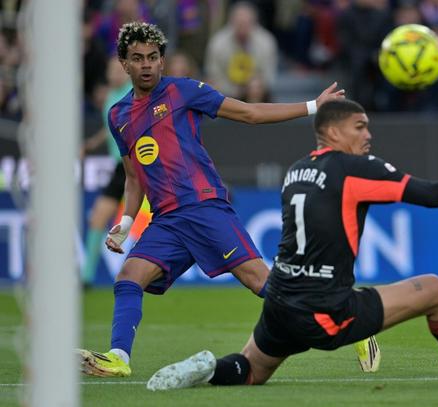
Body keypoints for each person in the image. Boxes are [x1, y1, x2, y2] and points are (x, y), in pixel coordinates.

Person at [146, 99, 438, 390]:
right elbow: (428, 194)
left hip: (281, 302)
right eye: (360, 127)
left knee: (250, 370)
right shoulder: (354, 169)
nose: (368, 135)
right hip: (324, 309)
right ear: (333, 131)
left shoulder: (296, 170)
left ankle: (208, 370)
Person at [77, 22, 380, 378]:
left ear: (162, 60)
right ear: (124, 64)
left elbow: (250, 114)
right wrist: (127, 222)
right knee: (129, 277)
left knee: (262, 284)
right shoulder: (118, 115)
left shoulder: (183, 91)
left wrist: (314, 106)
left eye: (153, 57)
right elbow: (133, 178)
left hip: (204, 207)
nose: (146, 64)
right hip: (167, 220)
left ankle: (352, 319)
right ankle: (118, 358)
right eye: (138, 58)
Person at [81, 57, 135, 286]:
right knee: (98, 218)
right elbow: (109, 128)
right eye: (112, 70)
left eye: (119, 69)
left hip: (138, 165)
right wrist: (91, 144)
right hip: (120, 167)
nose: (116, 74)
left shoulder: (134, 93)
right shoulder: (111, 97)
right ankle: (86, 277)